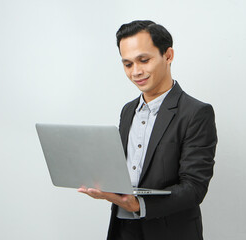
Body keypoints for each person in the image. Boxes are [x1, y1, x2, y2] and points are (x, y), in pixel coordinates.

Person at [78, 20, 217, 240]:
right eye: (128, 64)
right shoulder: (127, 111)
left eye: (144, 60)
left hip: (170, 231)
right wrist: (103, 182)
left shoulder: (196, 113)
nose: (136, 72)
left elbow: (194, 187)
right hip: (123, 228)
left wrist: (139, 204)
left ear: (168, 55)